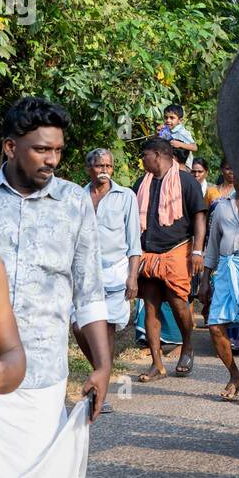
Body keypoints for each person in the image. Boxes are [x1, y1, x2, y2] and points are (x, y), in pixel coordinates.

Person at [0, 97, 110, 478]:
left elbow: (88, 292)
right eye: (41, 149)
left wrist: (103, 365)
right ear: (9, 147)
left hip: (43, 381)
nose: (52, 160)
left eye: (59, 150)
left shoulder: (73, 206)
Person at [72, 148, 142, 413]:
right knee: (79, 326)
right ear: (88, 168)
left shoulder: (126, 197)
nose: (104, 170)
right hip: (83, 272)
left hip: (115, 271)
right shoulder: (77, 196)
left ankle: (104, 392)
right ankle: (100, 372)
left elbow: (134, 242)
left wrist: (132, 277)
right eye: (99, 165)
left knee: (107, 330)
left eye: (109, 166)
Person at [132, 136, 206, 381]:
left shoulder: (186, 180)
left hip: (178, 250)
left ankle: (188, 344)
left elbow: (199, 216)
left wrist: (197, 251)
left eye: (144, 155)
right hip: (148, 252)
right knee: (151, 307)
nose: (142, 160)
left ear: (158, 155)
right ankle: (157, 365)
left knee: (178, 304)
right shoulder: (141, 183)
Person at [199, 171, 239, 403]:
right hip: (225, 269)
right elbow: (213, 243)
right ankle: (235, 375)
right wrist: (205, 278)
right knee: (215, 326)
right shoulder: (221, 206)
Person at [157, 102, 196, 168]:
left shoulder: (182, 132)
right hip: (171, 164)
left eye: (172, 118)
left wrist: (180, 144)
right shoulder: (166, 130)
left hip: (184, 166)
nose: (168, 120)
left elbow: (194, 147)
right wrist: (158, 133)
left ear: (180, 120)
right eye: (166, 118)